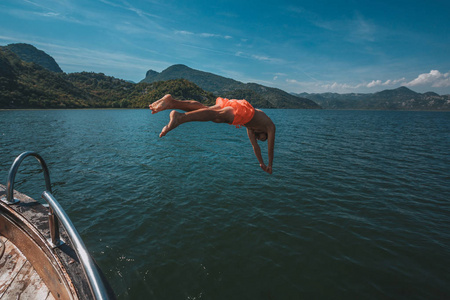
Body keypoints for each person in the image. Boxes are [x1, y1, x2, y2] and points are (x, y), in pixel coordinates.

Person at [149, 94, 276, 174]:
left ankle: (173, 102)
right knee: (217, 116)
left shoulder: (251, 128)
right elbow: (271, 146)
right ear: (265, 133)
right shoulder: (269, 126)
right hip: (244, 111)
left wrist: (261, 163)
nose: (260, 139)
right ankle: (179, 117)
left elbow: (255, 147)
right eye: (263, 138)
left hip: (240, 109)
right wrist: (270, 164)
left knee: (206, 109)